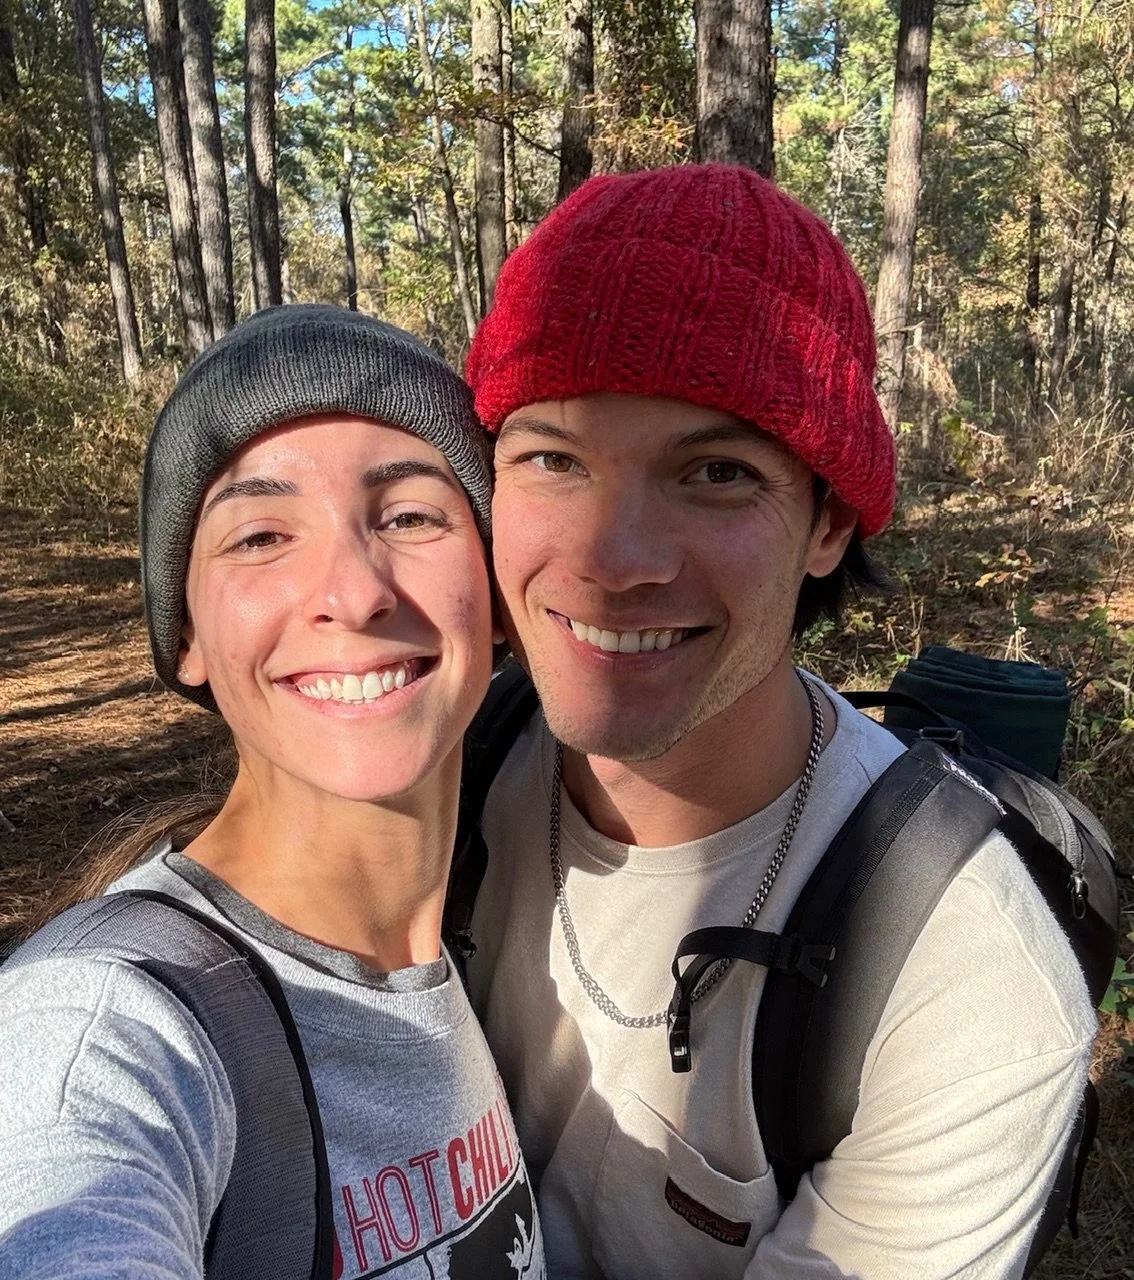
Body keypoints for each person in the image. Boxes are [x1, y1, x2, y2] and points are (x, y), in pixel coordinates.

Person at [462, 164, 1098, 1277]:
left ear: (828, 526)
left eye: (715, 471)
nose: (612, 562)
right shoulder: (445, 770)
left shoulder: (963, 971)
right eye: (553, 457)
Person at [0, 305, 545, 1280]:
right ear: (189, 637)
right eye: (259, 534)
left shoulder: (490, 932)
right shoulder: (102, 1027)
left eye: (412, 514)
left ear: (497, 599)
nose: (353, 589)